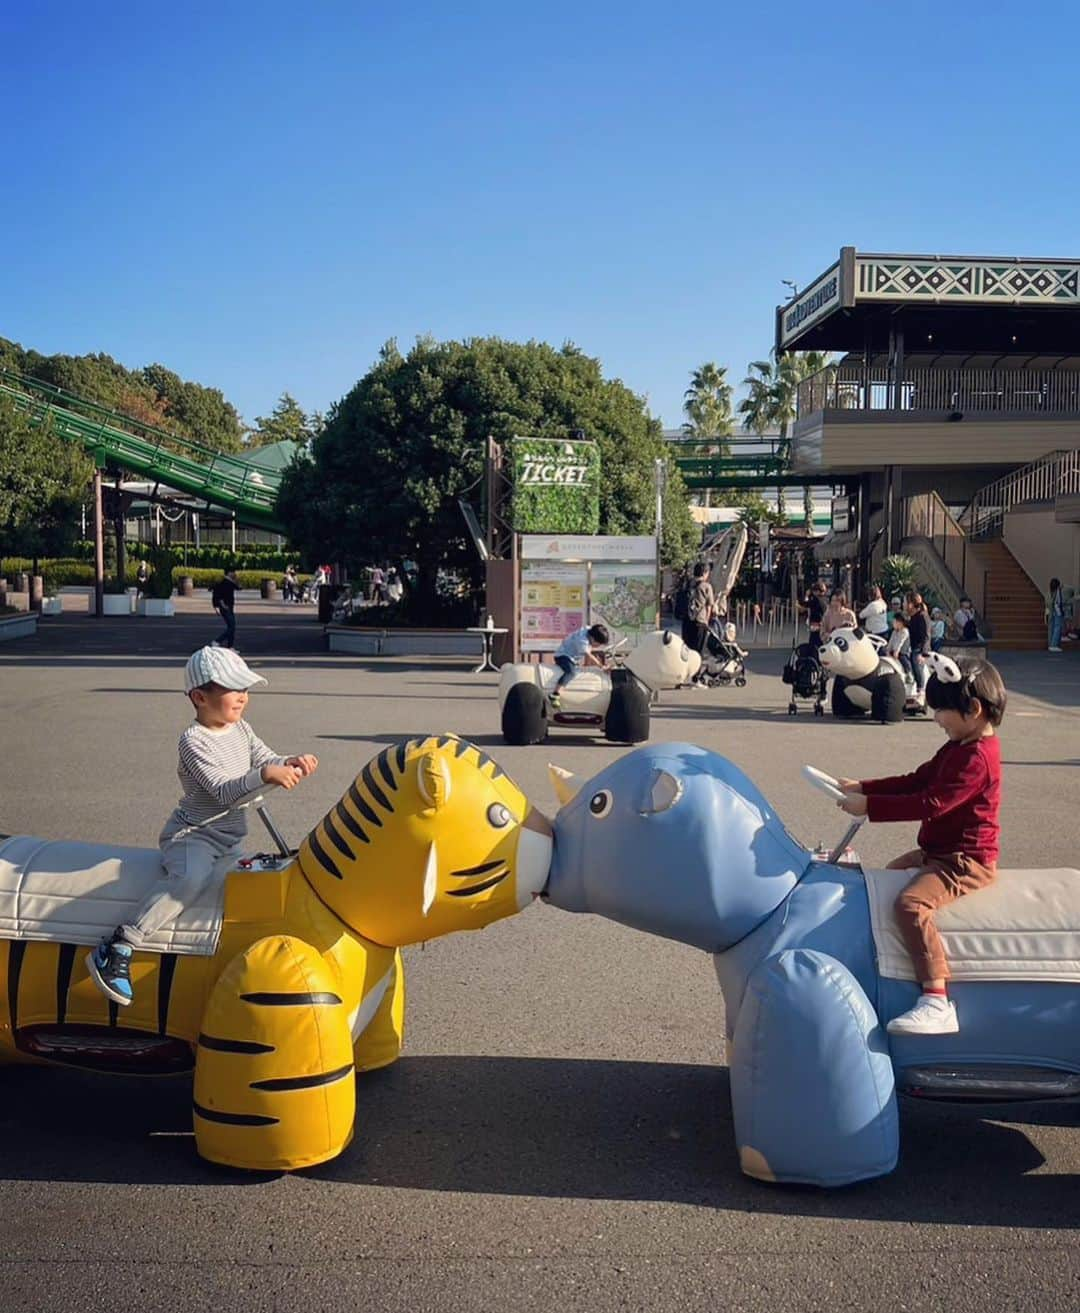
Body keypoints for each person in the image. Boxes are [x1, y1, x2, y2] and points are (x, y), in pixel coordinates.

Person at [86, 646, 319, 1006]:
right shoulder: (193, 741)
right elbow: (224, 791)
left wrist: (287, 761)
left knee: (242, 886)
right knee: (189, 880)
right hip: (193, 835)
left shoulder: (240, 728)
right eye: (233, 689)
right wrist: (265, 775)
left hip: (228, 838)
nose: (243, 697)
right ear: (199, 697)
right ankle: (119, 945)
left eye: (246, 689)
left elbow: (264, 758)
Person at [836, 657, 1006, 1036]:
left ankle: (936, 998)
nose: (936, 718)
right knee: (883, 881)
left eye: (941, 710)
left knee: (910, 904)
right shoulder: (958, 745)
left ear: (973, 710)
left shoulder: (977, 758)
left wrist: (870, 807)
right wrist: (866, 787)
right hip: (939, 853)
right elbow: (917, 780)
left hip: (964, 862)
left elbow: (932, 802)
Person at [550, 622, 609, 708]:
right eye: (598, 644)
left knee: (578, 668)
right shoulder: (582, 641)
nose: (598, 646)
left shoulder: (589, 630)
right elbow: (589, 655)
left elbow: (589, 651)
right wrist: (602, 666)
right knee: (571, 672)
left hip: (572, 657)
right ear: (592, 638)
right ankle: (555, 694)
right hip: (563, 656)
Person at [682, 562, 716, 672]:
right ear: (705, 573)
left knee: (687, 650)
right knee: (698, 651)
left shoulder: (687, 584)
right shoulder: (706, 586)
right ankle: (696, 678)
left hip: (686, 620)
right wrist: (706, 620)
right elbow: (709, 606)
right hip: (699, 621)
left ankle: (683, 674)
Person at [905, 592, 931, 705]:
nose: (904, 604)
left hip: (919, 649)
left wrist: (923, 653)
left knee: (917, 663)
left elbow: (926, 636)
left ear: (911, 604)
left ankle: (921, 691)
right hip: (912, 647)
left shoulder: (922, 616)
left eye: (905, 602)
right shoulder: (913, 616)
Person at [211, 569, 240, 648]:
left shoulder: (230, 582)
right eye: (233, 572)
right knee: (231, 627)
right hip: (225, 608)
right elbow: (218, 596)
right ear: (229, 573)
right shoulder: (224, 583)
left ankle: (230, 646)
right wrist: (220, 606)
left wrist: (235, 579)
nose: (235, 573)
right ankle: (217, 641)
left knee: (232, 627)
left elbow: (238, 587)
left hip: (229, 607)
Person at [885, 613, 912, 679]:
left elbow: (900, 642)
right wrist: (888, 650)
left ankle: (909, 674)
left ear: (900, 622)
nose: (893, 623)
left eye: (895, 621)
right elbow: (891, 642)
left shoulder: (904, 631)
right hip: (893, 651)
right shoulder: (894, 632)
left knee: (904, 660)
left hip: (902, 652)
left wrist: (896, 651)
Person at [803, 580, 828, 649]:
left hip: (816, 623)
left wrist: (806, 596)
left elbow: (806, 604)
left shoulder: (816, 599)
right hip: (822, 622)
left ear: (817, 591)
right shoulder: (825, 599)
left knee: (814, 641)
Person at [1047, 577, 1067, 652]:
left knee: (1052, 627)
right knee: (1057, 627)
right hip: (1057, 611)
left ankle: (1051, 644)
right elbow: (1059, 602)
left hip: (1051, 611)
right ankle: (1054, 644)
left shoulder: (1050, 591)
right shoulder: (1058, 591)